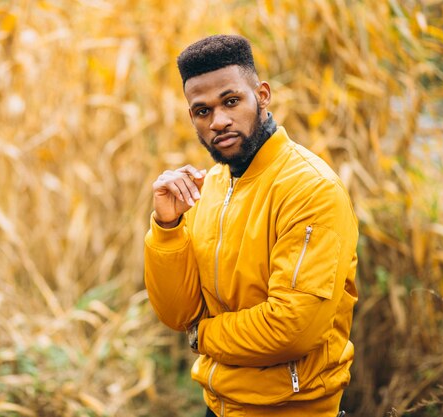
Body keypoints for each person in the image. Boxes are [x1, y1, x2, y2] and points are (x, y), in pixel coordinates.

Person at [143, 34, 358, 417]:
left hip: (293, 409)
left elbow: (292, 328)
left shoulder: (309, 188)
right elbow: (178, 313)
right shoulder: (210, 187)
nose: (219, 121)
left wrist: (202, 334)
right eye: (202, 111)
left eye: (231, 101)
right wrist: (167, 225)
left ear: (261, 94)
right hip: (220, 406)